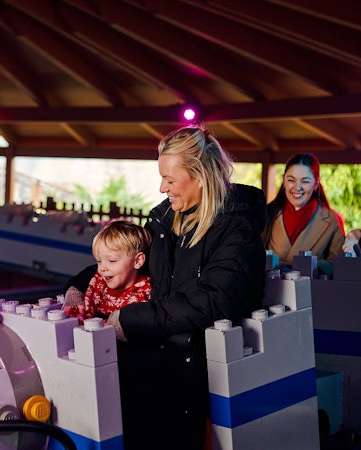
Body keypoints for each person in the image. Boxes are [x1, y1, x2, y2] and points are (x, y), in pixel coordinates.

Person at [66, 126, 266, 449]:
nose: (162, 188)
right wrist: (78, 286)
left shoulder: (237, 231)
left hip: (201, 360)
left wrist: (128, 321)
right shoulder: (165, 222)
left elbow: (214, 301)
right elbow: (129, 260)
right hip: (164, 350)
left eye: (170, 180)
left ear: (200, 176)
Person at [264, 153, 345, 275]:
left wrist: (308, 266)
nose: (297, 188)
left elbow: (338, 264)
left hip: (311, 291)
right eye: (291, 180)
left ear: (316, 184)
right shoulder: (267, 213)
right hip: (269, 289)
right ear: (283, 181)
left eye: (305, 181)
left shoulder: (332, 221)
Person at [64, 219, 152, 323]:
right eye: (99, 261)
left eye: (112, 260)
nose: (102, 268)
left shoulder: (145, 295)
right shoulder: (96, 281)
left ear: (137, 261)